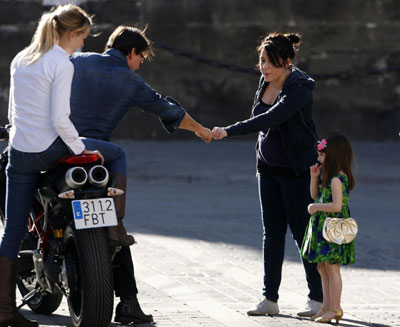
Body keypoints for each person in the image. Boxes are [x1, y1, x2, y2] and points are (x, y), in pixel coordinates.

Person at [69, 25, 212, 325]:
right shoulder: (131, 81)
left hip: (57, 149)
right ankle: (128, 301)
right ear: (132, 53)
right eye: (141, 58)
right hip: (98, 159)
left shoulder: (75, 61)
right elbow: (168, 110)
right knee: (110, 222)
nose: (139, 64)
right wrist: (201, 130)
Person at [0, 5, 129, 327]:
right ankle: (115, 225)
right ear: (71, 34)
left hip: (21, 153)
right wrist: (80, 149)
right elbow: (60, 120)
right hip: (50, 149)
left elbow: (14, 115)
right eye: (83, 38)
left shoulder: (21, 58)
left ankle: (3, 311)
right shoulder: (61, 63)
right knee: (116, 154)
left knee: (11, 233)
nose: (83, 45)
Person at [212, 32, 323, 316]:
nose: (265, 67)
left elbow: (270, 118)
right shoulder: (265, 81)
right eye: (262, 61)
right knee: (271, 234)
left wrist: (228, 130)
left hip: (297, 170)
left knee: (302, 234)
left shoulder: (299, 87)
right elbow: (262, 124)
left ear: (287, 62)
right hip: (268, 169)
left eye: (272, 62)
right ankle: (269, 299)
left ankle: (317, 299)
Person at [301, 133, 355, 324]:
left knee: (332, 269)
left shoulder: (336, 179)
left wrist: (316, 208)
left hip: (332, 228)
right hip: (324, 227)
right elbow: (315, 194)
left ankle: (335, 308)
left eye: (322, 156)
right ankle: (325, 306)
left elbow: (337, 206)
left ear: (334, 156)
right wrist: (314, 178)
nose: (319, 159)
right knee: (322, 267)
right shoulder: (329, 177)